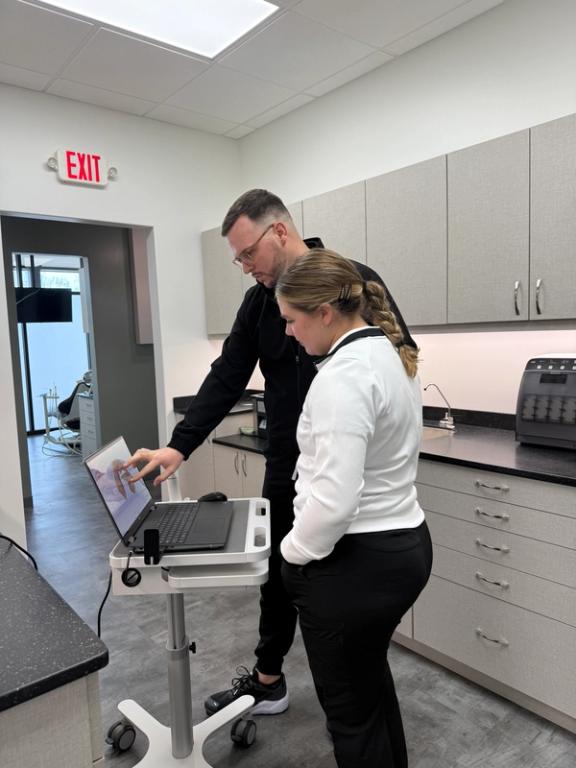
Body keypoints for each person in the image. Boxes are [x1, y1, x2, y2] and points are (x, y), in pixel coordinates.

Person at [125, 189, 417, 717]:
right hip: (290, 462)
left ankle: (349, 698)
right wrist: (179, 446)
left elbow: (399, 363)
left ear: (278, 232)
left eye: (247, 254)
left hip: (356, 479)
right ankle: (269, 678)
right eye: (237, 258)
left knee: (342, 596)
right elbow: (229, 372)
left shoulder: (353, 281)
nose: (243, 267)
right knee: (282, 579)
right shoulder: (259, 302)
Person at [275, 249, 432, 768]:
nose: (289, 333)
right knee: (369, 689)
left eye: (291, 321)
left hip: (356, 563)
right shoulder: (391, 354)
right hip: (403, 545)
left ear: (324, 313)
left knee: (350, 717)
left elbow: (335, 501)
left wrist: (293, 554)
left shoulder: (341, 376)